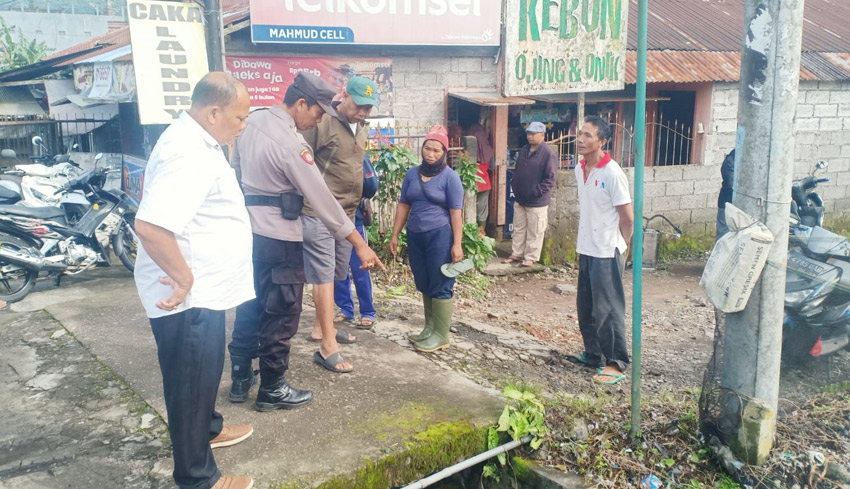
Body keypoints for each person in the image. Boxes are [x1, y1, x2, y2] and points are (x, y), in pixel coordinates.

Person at [226, 72, 384, 409]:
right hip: (281, 236)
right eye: (316, 113)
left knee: (249, 303)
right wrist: (358, 241)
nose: (317, 121)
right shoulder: (292, 143)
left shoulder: (251, 123)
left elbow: (235, 168)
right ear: (301, 103)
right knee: (281, 310)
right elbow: (323, 200)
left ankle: (240, 377)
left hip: (248, 232)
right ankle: (272, 387)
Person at [133, 72, 255, 489]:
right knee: (189, 380)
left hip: (207, 290)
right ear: (214, 111)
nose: (243, 126)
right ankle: (198, 478)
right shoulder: (188, 152)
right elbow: (150, 226)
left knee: (204, 371)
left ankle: (209, 431)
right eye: (240, 118)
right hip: (187, 296)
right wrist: (182, 279)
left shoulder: (201, 141)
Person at [301, 76, 379, 373]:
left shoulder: (362, 127)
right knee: (321, 276)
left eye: (369, 108)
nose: (363, 112)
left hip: (347, 214)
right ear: (344, 95)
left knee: (335, 272)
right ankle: (326, 346)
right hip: (319, 211)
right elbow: (302, 163)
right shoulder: (322, 122)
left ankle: (324, 328)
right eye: (359, 105)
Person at [568, 116, 634, 385]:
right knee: (586, 306)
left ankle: (617, 362)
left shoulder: (612, 173)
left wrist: (623, 246)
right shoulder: (579, 168)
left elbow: (627, 217)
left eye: (587, 136)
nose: (580, 140)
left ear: (602, 141)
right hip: (586, 247)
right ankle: (594, 353)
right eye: (580, 134)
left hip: (607, 250)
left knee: (608, 309)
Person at [389, 125, 464, 353]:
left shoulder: (450, 178)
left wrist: (457, 244)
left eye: (436, 150)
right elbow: (404, 204)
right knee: (423, 280)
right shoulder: (412, 174)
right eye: (427, 149)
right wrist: (395, 234)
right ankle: (429, 329)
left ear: (444, 153)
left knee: (440, 282)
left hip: (440, 235)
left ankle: (441, 335)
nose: (430, 154)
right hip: (415, 235)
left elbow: (456, 213)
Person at [503, 121, 558, 267]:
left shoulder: (547, 153)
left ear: (542, 135)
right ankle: (517, 253)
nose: (530, 136)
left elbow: (551, 178)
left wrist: (537, 191)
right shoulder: (524, 150)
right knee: (519, 228)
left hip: (537, 200)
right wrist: (515, 185)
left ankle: (530, 257)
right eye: (528, 133)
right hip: (520, 198)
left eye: (533, 134)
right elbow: (518, 170)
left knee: (535, 230)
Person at [334, 155, 379, 328]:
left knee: (361, 266)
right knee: (338, 268)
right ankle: (345, 308)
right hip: (333, 220)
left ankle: (368, 311)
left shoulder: (358, 156)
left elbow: (371, 185)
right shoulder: (328, 154)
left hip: (355, 218)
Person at [465, 122, 495, 235]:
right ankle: (481, 233)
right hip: (485, 183)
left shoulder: (465, 151)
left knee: (469, 208)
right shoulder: (489, 150)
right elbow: (491, 167)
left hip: (470, 183)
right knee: (482, 210)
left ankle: (470, 232)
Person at [716, 149, 736, 240]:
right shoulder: (730, 161)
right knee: (723, 236)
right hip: (727, 204)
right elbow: (730, 183)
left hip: (739, 205)